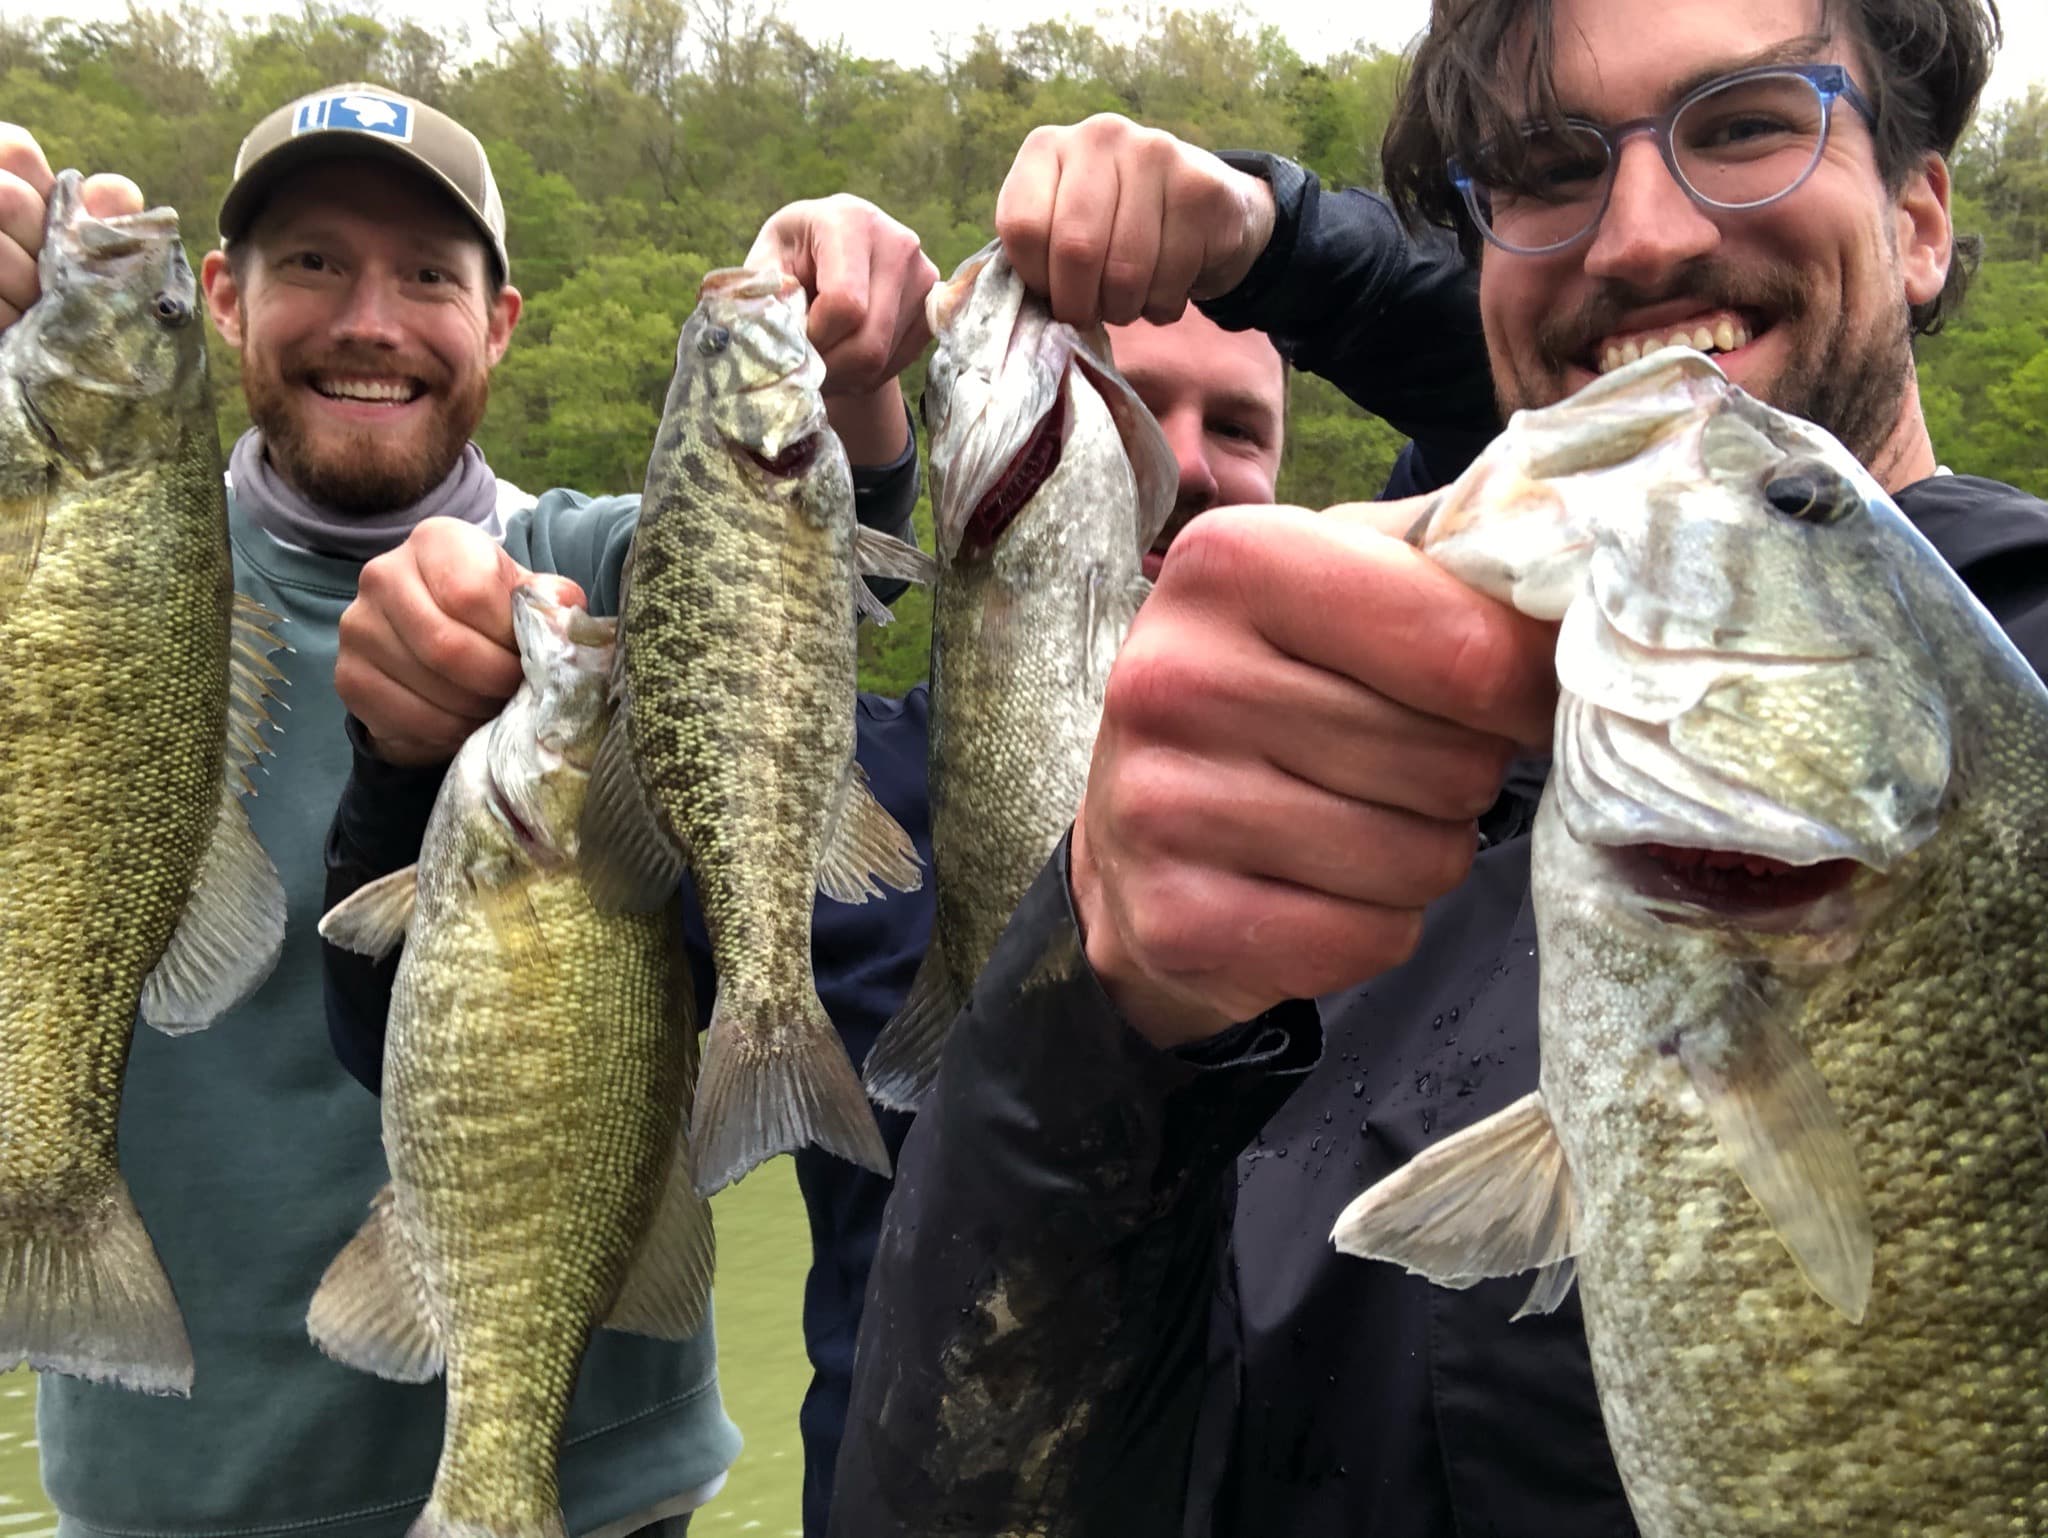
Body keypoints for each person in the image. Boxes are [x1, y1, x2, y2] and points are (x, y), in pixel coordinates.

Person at [826, 2, 2048, 1535]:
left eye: (1744, 124)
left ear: (1922, 219)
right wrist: (1098, 1018)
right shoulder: (1309, 788)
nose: (1643, 237)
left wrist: (1276, 237)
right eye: (1544, 168)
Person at [321, 190, 1344, 1532]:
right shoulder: (829, 795)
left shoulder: (1439, 807)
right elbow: (435, 1014)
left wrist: (1290, 224)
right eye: (1130, 402)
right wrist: (406, 771)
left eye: (1243, 428)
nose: (1189, 461)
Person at [0, 80, 931, 1538]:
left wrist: (856, 355)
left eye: (429, 274)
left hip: (596, 1483)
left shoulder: (613, 568)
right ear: (223, 299)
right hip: (174, 1493)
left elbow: (805, 548)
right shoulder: (69, 556)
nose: (372, 319)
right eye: (314, 262)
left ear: (498, 322)